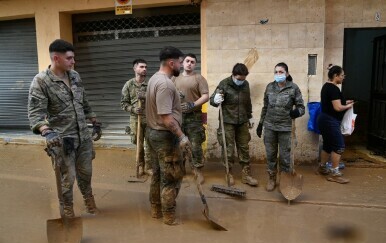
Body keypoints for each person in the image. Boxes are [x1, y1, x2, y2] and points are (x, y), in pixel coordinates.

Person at [28, 39, 101, 218]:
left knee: (86, 173)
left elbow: (83, 101)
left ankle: (89, 202)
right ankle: (68, 209)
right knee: (67, 178)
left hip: (83, 136)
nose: (73, 61)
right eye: (69, 58)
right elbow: (35, 114)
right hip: (62, 139)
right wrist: (47, 131)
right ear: (56, 58)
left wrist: (94, 120)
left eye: (73, 58)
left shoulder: (75, 75)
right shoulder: (41, 81)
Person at [145, 46, 192, 225]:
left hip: (153, 134)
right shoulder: (164, 84)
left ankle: (156, 210)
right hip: (165, 136)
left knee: (157, 174)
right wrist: (181, 136)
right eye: (180, 62)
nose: (181, 65)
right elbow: (166, 118)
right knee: (171, 177)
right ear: (171, 63)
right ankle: (169, 216)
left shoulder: (154, 79)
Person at [257, 62, 305, 192]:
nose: (278, 74)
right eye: (276, 72)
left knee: (285, 157)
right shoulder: (269, 87)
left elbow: (302, 108)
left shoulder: (293, 88)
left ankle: (284, 180)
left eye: (281, 72)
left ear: (287, 74)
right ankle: (272, 178)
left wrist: (297, 112)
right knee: (271, 155)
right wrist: (261, 124)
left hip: (286, 128)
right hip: (270, 127)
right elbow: (265, 107)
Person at [209, 63, 258, 187]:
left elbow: (248, 102)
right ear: (233, 75)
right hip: (227, 121)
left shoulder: (245, 84)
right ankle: (228, 173)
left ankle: (246, 175)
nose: (241, 81)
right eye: (239, 79)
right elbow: (212, 100)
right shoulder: (224, 84)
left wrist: (250, 115)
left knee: (244, 147)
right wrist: (215, 100)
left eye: (243, 79)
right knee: (228, 149)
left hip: (242, 121)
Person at [173, 53, 209, 184]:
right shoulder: (174, 79)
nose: (189, 63)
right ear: (182, 63)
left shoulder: (199, 78)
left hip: (194, 117)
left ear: (195, 64)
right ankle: (181, 170)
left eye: (192, 62)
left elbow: (205, 96)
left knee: (195, 145)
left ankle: (198, 170)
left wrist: (192, 104)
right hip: (178, 118)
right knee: (178, 145)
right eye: (187, 61)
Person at [316, 64, 353, 184]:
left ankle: (322, 167)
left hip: (325, 119)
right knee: (339, 146)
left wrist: (345, 102)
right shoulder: (334, 89)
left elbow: (333, 102)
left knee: (328, 145)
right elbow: (337, 107)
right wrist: (348, 106)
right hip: (330, 120)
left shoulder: (327, 87)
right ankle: (335, 174)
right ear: (335, 75)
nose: (343, 77)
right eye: (342, 75)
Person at [121, 59, 152, 176]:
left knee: (149, 144)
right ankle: (140, 165)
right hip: (135, 119)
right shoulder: (129, 85)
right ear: (135, 69)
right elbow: (123, 103)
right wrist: (133, 109)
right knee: (138, 143)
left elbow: (156, 101)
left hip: (149, 118)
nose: (144, 69)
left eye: (146, 67)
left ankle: (149, 167)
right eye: (141, 67)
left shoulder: (150, 85)